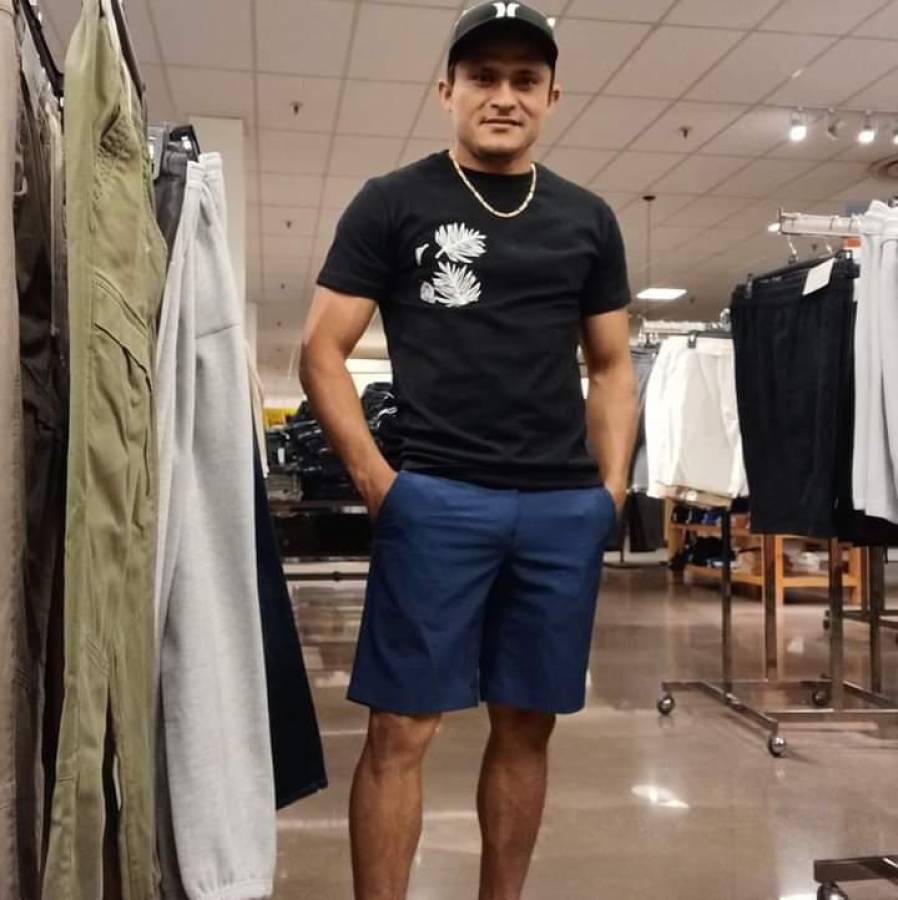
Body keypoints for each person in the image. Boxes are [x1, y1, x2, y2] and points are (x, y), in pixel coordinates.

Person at [300, 3, 638, 898]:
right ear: (445, 89)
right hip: (438, 499)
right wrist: (381, 483)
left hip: (560, 509)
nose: (504, 95)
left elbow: (611, 367)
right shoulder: (392, 201)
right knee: (401, 729)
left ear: (552, 97)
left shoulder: (589, 219)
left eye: (526, 80)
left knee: (528, 725)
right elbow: (322, 351)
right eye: (483, 76)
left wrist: (608, 492)